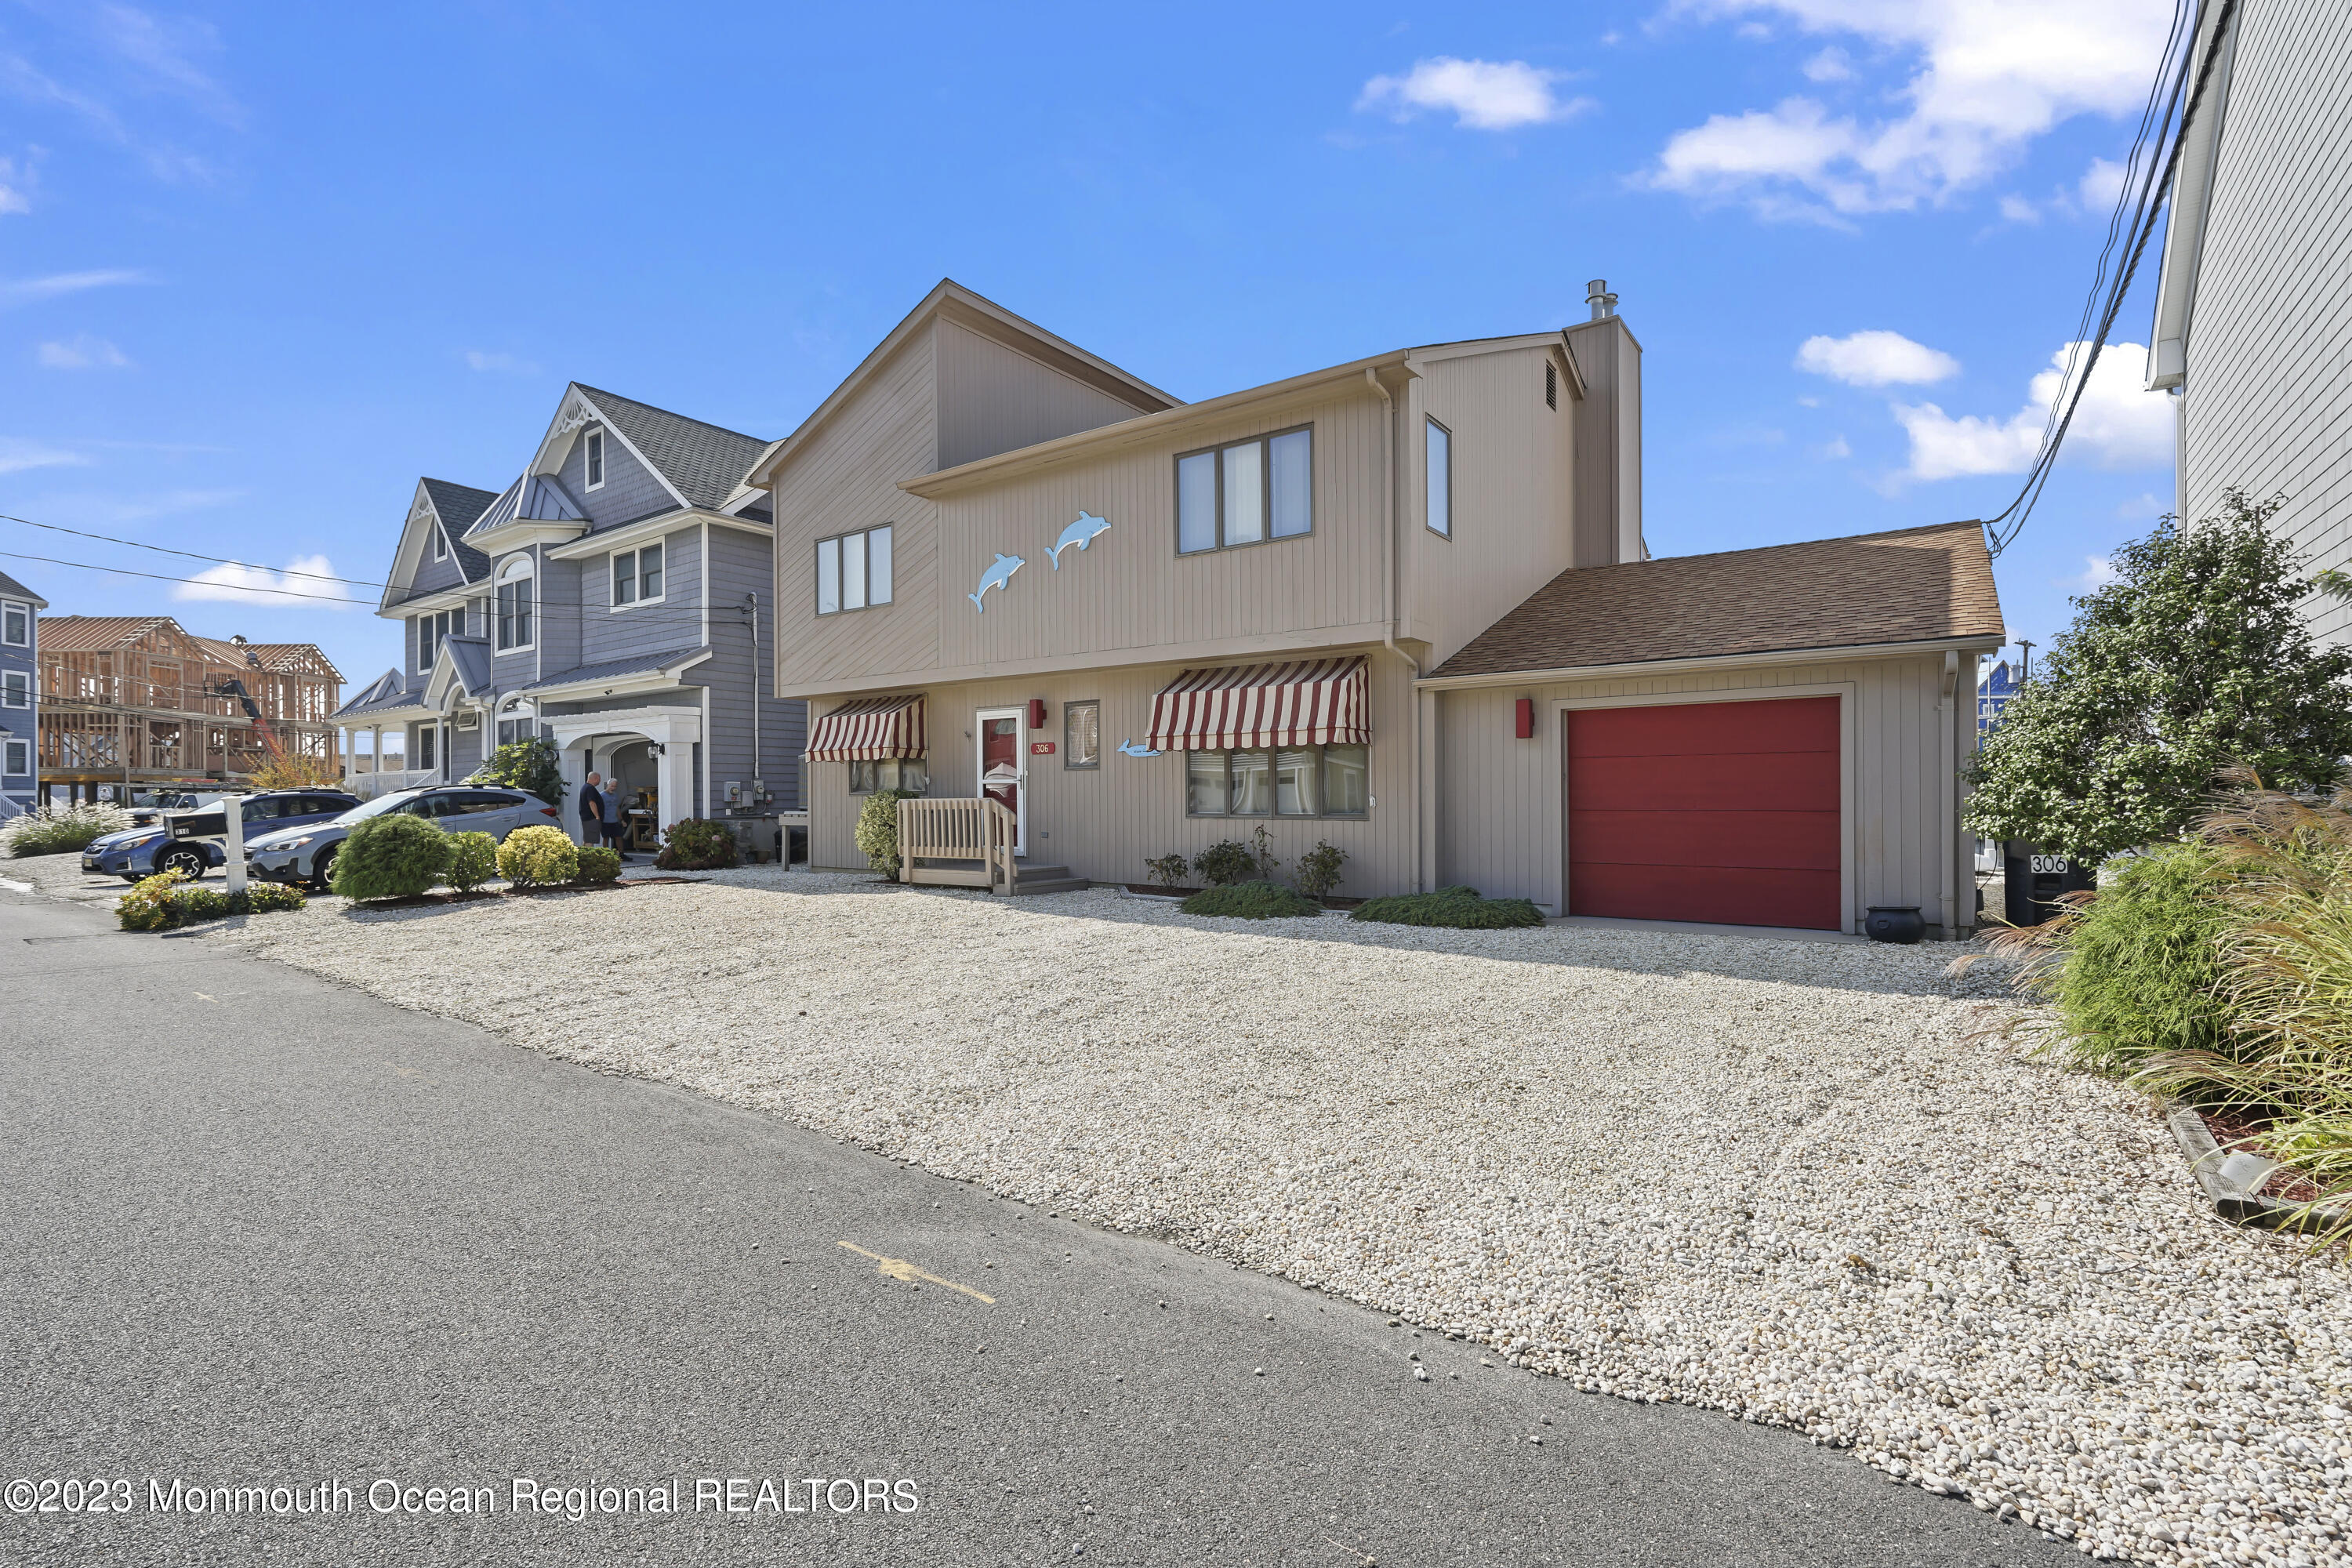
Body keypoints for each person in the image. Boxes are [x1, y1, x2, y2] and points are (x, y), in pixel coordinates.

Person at [579, 771, 607, 851]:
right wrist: (597, 816)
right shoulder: (590, 788)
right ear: (595, 778)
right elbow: (592, 802)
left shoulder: (585, 787)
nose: (600, 781)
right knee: (590, 839)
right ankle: (589, 858)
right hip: (591, 818)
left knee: (587, 838)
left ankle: (582, 855)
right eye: (599, 779)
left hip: (587, 818)